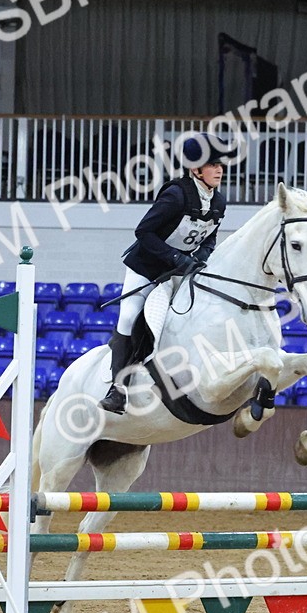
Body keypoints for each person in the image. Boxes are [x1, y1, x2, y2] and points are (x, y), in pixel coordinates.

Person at [99, 133, 233, 413]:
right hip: (146, 268)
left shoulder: (218, 203)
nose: (219, 169)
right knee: (128, 316)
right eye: (212, 165)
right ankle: (118, 389)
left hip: (179, 272)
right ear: (196, 169)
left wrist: (202, 256)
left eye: (220, 164)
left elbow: (209, 237)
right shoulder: (175, 195)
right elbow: (143, 232)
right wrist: (175, 257)